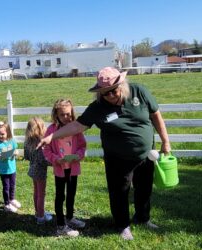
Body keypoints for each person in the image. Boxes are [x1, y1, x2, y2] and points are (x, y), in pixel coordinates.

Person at [38, 67, 171, 240]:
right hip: (117, 158)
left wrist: (165, 141)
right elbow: (78, 126)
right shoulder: (98, 107)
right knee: (119, 192)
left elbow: (156, 115)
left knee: (144, 188)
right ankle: (123, 225)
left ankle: (142, 218)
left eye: (113, 92)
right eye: (104, 93)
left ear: (122, 85)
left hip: (145, 154)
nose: (110, 96)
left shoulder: (140, 91)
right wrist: (52, 136)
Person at [43, 99, 87, 237]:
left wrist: (78, 156)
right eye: (63, 115)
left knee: (71, 194)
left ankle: (70, 217)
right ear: (56, 115)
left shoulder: (76, 128)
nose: (66, 117)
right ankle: (61, 226)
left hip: (73, 168)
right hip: (60, 169)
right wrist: (56, 159)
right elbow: (46, 149)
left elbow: (82, 146)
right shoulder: (51, 130)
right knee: (60, 196)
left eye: (68, 114)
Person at [24, 117, 53, 225]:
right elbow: (43, 160)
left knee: (36, 192)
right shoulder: (40, 144)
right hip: (40, 172)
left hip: (32, 170)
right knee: (41, 194)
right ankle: (41, 216)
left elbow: (26, 156)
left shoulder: (27, 142)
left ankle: (38, 212)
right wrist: (54, 163)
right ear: (41, 129)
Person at [0, 121, 21, 213]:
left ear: (7, 132)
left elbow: (15, 149)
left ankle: (12, 199)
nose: (0, 136)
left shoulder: (11, 141)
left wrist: (16, 152)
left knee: (12, 185)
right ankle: (7, 203)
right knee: (6, 186)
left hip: (12, 168)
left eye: (2, 134)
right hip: (3, 169)